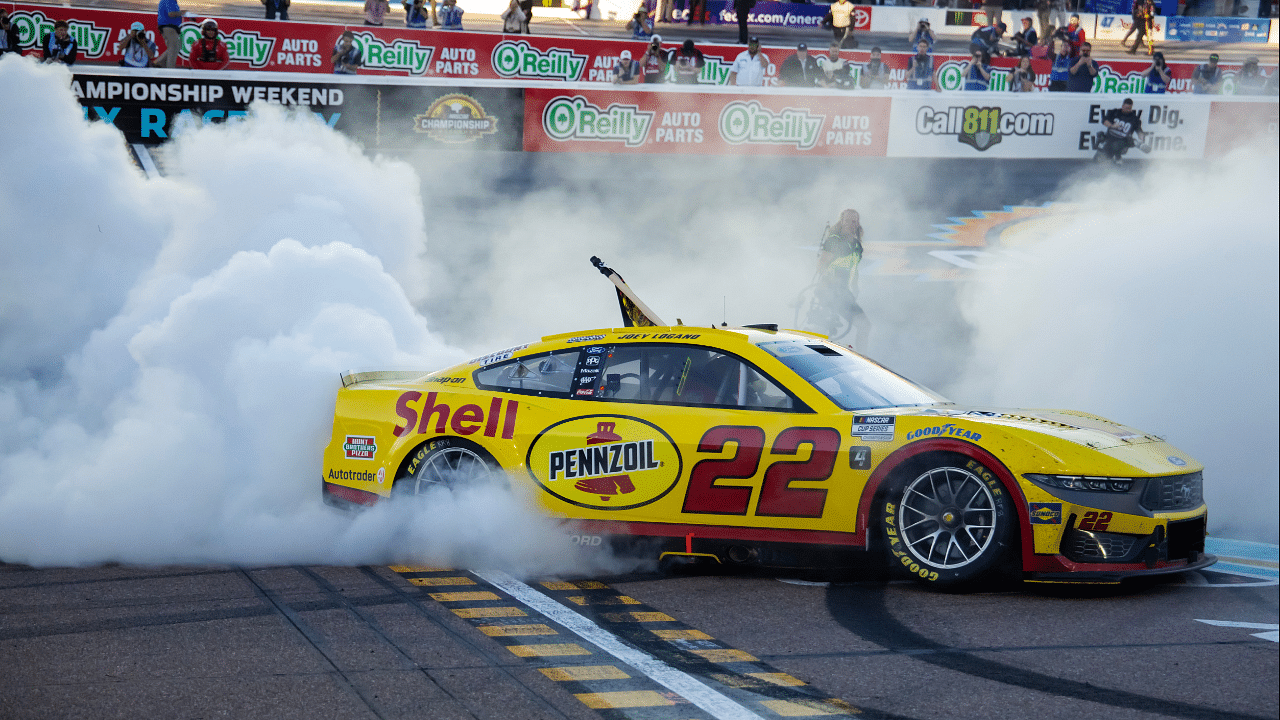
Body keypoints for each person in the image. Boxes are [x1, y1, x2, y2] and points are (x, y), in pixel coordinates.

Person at [814, 209, 870, 351]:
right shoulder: (834, 240)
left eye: (855, 221)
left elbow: (853, 268)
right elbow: (821, 265)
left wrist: (855, 286)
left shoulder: (857, 246)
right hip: (828, 291)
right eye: (848, 221)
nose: (852, 224)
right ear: (842, 222)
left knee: (864, 325)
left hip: (844, 293)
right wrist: (828, 277)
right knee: (823, 330)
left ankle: (864, 358)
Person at [1095, 97, 1147, 163]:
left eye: (1129, 108)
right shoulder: (1114, 112)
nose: (1128, 110)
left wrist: (1141, 136)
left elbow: (1139, 129)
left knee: (1116, 145)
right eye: (1126, 108)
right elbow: (1104, 120)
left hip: (1123, 140)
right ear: (1122, 106)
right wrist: (1112, 126)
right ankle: (1106, 159)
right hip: (1110, 137)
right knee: (1101, 140)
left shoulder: (1134, 119)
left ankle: (1118, 157)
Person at [155, 0, 184, 68]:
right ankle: (170, 68)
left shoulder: (170, 1)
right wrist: (183, 12)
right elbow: (171, 14)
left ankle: (159, 62)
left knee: (176, 46)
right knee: (174, 48)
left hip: (168, 26)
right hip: (169, 27)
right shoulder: (170, 0)